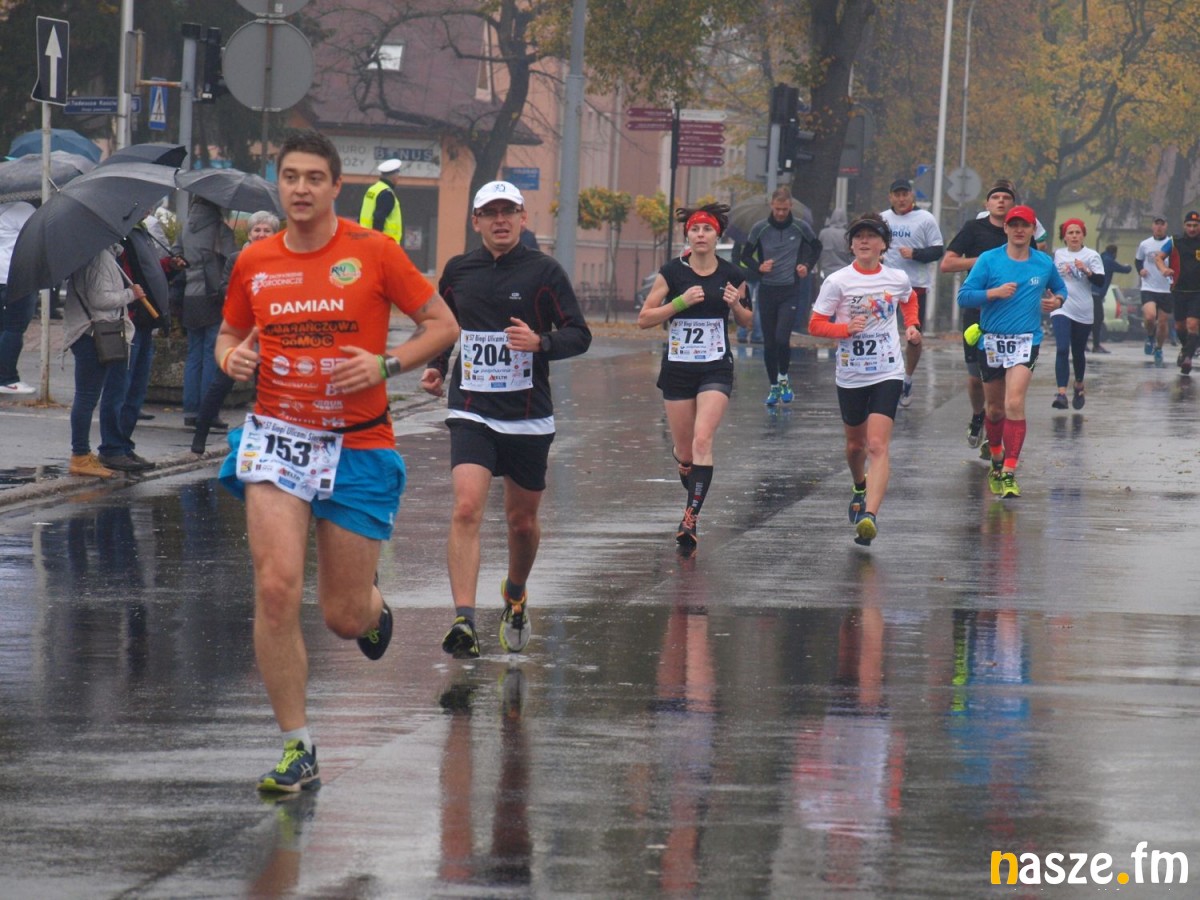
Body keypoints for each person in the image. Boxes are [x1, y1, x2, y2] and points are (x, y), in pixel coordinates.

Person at [214, 130, 459, 792]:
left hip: (358, 443)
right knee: (275, 588)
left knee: (343, 616)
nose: (300, 188)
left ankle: (373, 609)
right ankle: (297, 747)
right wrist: (231, 357)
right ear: (280, 184)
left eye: (313, 178)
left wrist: (385, 364)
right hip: (278, 439)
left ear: (335, 186)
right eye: (290, 176)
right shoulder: (255, 260)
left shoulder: (373, 251)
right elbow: (230, 333)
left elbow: (442, 325)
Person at [421, 181, 591, 660]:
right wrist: (437, 365)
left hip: (527, 416)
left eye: (509, 211)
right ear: (475, 220)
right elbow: (445, 327)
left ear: (522, 217)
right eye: (491, 212)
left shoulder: (544, 271)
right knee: (466, 508)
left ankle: (515, 594)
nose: (500, 220)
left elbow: (580, 334)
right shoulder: (459, 271)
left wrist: (541, 343)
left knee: (521, 522)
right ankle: (464, 619)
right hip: (471, 409)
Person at [639, 202, 751, 550]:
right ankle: (685, 462)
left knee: (704, 440)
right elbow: (644, 319)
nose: (701, 235)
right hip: (678, 369)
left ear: (718, 235)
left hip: (716, 367)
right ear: (687, 235)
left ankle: (690, 519)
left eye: (707, 229)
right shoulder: (672, 273)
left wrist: (735, 306)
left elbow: (748, 321)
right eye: (695, 230)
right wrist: (679, 303)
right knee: (687, 450)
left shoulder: (732, 274)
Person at [807, 212, 919, 547]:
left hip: (887, 370)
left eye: (871, 236)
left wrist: (912, 325)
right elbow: (815, 324)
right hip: (851, 374)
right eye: (858, 237)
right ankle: (859, 485)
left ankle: (870, 515)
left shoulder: (896, 278)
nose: (864, 241)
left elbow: (909, 298)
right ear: (851, 245)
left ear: (884, 244)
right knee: (856, 446)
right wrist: (844, 329)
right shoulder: (838, 281)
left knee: (877, 445)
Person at [957, 205, 1067, 499]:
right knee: (994, 409)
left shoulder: (1043, 263)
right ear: (1005, 228)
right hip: (992, 341)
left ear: (1032, 230)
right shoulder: (988, 260)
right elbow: (964, 296)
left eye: (1025, 225)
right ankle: (996, 456)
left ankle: (1009, 471)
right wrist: (993, 293)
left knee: (1014, 402)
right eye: (1014, 224)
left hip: (1026, 341)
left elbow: (1061, 290)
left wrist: (1056, 301)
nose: (1019, 230)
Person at [191, 210, 280, 455]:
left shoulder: (281, 260)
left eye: (267, 230)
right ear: (249, 234)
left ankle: (266, 443)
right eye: (257, 230)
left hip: (270, 333)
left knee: (268, 389)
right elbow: (224, 288)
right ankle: (200, 434)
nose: (261, 234)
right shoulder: (237, 258)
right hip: (240, 332)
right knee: (221, 384)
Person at [941, 179, 1020, 456]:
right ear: (987, 204)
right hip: (977, 313)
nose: (1001, 201)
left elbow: (1033, 265)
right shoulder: (973, 229)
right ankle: (978, 415)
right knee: (976, 378)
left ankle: (994, 431)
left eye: (1006, 198)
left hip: (1011, 316)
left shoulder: (1020, 231)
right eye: (995, 197)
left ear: (1013, 204)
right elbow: (947, 263)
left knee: (1005, 377)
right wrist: (983, 261)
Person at [106, 216, 184, 472]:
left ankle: (124, 445)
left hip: (144, 323)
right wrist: (131, 295)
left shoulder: (141, 233)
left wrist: (169, 266)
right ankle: (113, 448)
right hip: (129, 323)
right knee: (121, 389)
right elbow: (120, 276)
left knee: (136, 391)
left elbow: (148, 271)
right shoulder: (118, 233)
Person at [62, 245, 144, 478]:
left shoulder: (98, 254)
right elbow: (100, 299)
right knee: (86, 397)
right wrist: (131, 294)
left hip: (91, 332)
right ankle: (80, 455)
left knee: (87, 397)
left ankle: (82, 454)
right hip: (92, 334)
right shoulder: (99, 257)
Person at [738, 186, 821, 406]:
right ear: (771, 206)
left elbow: (816, 247)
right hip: (767, 290)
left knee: (782, 339)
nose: (781, 213)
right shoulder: (760, 228)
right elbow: (745, 256)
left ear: (790, 206)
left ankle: (784, 378)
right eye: (777, 209)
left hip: (789, 290)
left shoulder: (800, 226)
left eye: (785, 209)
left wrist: (806, 265)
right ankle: (774, 386)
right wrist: (759, 267)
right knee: (769, 343)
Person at [881, 178, 943, 407]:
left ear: (912, 196)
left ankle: (907, 378)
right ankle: (885, 378)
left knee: (913, 336)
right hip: (885, 286)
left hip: (914, 286)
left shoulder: (925, 219)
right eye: (896, 195)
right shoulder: (882, 219)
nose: (901, 199)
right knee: (883, 333)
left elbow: (938, 250)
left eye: (904, 194)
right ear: (890, 197)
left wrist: (916, 254)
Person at [182, 196, 236, 429]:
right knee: (211, 353)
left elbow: (176, 254)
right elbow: (234, 260)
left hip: (189, 295)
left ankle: (190, 410)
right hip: (212, 296)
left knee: (193, 354)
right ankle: (208, 412)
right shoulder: (220, 229)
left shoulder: (186, 228)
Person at [1049, 219, 1104, 410]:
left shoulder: (1091, 255)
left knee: (1078, 351)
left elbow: (1100, 281)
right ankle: (1061, 393)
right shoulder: (1058, 254)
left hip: (1083, 309)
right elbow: (1051, 277)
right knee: (1062, 348)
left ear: (1083, 235)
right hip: (1061, 306)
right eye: (1070, 233)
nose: (1074, 236)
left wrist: (1087, 271)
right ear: (1064, 236)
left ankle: (1079, 384)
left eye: (1077, 232)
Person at [1156, 211, 1200, 374]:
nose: (1192, 229)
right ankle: (1186, 349)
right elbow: (1159, 258)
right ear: (1184, 226)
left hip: (1197, 291)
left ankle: (1188, 358)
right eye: (1189, 225)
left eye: (1195, 225)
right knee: (1180, 326)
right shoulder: (1174, 241)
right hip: (1179, 290)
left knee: (1192, 324)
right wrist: (1164, 269)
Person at [0, 200, 37, 395]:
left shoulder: (4, 210)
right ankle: (7, 378)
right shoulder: (24, 209)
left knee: (4, 328)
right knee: (14, 328)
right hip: (16, 277)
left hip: (3, 275)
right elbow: (38, 238)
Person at [1135, 216, 1173, 365]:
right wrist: (1140, 270)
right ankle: (1150, 336)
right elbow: (1138, 260)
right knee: (1150, 317)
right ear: (1152, 226)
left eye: (1162, 224)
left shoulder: (1171, 244)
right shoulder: (1145, 244)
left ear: (1166, 226)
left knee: (1163, 322)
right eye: (1157, 224)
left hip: (1166, 288)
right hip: (1148, 286)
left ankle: (1159, 348)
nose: (1159, 227)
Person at [1090, 242, 1131, 354]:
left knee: (1090, 319)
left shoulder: (1100, 258)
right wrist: (1128, 266)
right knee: (1098, 319)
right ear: (1114, 253)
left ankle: (1084, 344)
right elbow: (1125, 270)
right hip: (1097, 294)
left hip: (1090, 293)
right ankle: (1096, 346)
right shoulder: (1109, 261)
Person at [359, 158, 403, 243]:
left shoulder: (372, 190)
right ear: (393, 176)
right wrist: (377, 242)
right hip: (384, 243)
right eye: (398, 175)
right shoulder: (386, 193)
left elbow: (361, 215)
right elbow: (378, 219)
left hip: (366, 239)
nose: (398, 178)